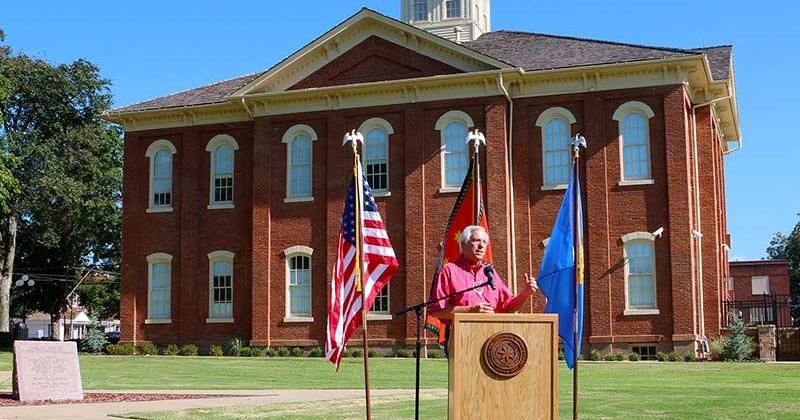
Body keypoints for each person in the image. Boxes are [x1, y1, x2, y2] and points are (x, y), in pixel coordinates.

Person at [429, 225, 537, 321]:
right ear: (463, 244)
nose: (481, 245)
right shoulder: (449, 270)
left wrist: (525, 294)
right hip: (461, 337)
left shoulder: (489, 272)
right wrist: (471, 310)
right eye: (476, 240)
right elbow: (437, 310)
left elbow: (507, 307)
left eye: (484, 242)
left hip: (491, 337)